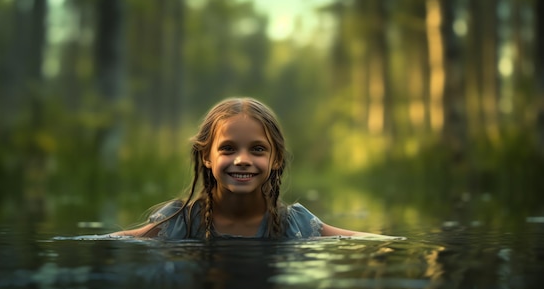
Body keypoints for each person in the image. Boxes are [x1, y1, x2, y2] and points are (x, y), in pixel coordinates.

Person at [111, 97, 401, 240]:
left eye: (257, 149)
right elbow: (111, 241)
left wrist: (400, 243)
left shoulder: (294, 224)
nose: (242, 159)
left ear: (275, 159)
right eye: (228, 148)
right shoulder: (179, 223)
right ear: (206, 157)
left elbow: (362, 240)